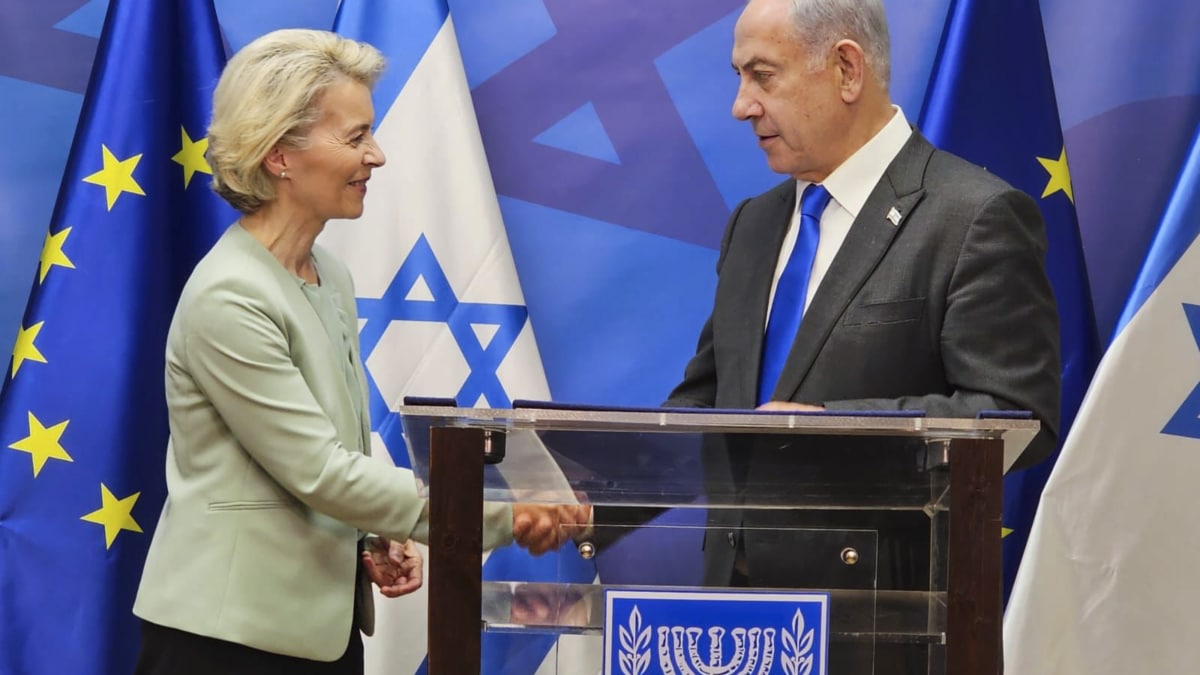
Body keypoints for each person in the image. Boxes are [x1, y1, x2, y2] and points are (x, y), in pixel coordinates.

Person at [591, 0, 1060, 671]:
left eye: (762, 76)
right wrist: (588, 504)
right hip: (733, 633)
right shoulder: (753, 224)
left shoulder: (973, 217)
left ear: (845, 69)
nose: (740, 106)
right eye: (738, 77)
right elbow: (705, 407)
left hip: (882, 629)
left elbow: (1016, 417)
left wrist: (833, 426)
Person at [132, 29, 586, 675]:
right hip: (227, 642)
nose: (376, 155)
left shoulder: (325, 274)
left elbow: (334, 438)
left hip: (315, 628)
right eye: (355, 137)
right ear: (278, 155)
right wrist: (503, 515)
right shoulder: (231, 294)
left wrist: (374, 531)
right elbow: (319, 471)